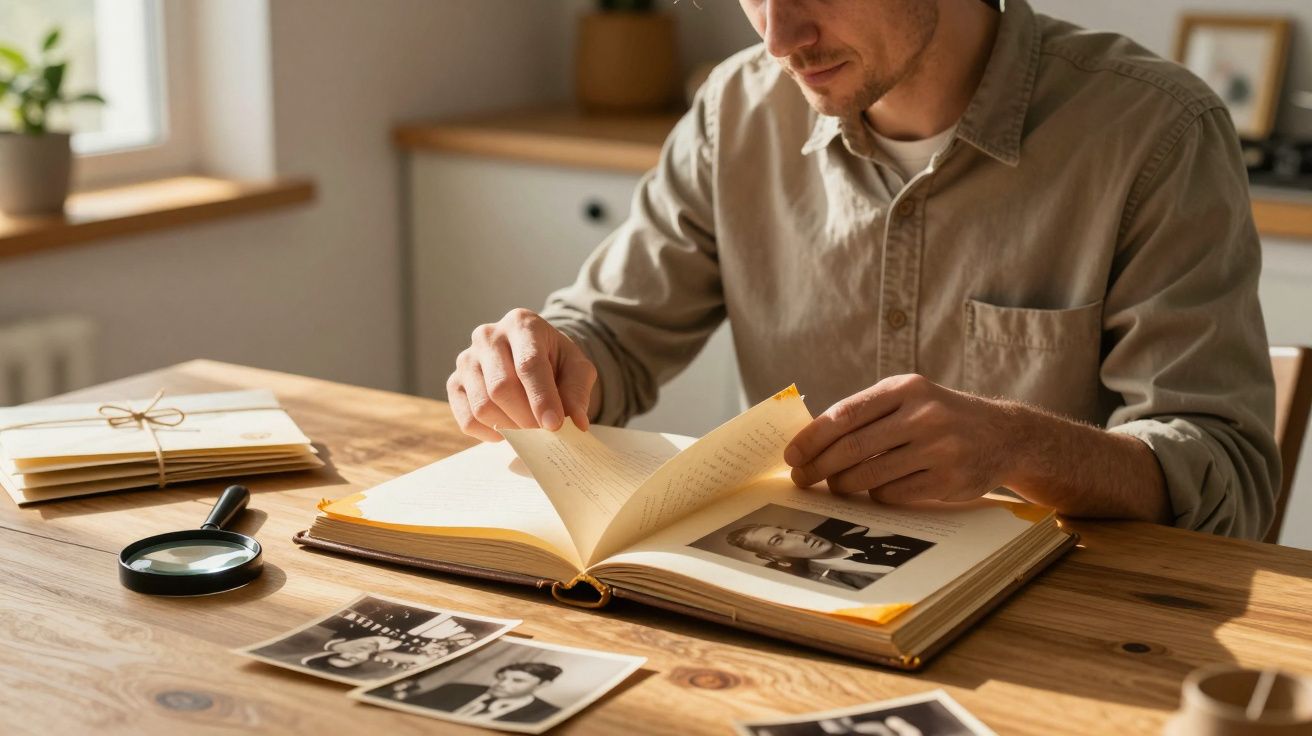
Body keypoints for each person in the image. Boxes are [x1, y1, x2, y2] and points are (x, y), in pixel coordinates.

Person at [446, 0, 1279, 539]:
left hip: (1058, 638)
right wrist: (542, 362)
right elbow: (612, 338)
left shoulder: (1155, 132)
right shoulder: (734, 111)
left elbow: (1226, 478)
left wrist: (1016, 445)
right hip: (788, 609)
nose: (778, 38)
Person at [726, 521, 929, 590]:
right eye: (778, 541)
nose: (799, 537)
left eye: (787, 530)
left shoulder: (871, 534)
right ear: (773, 557)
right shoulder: (827, 581)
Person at [394, 661, 563, 723]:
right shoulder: (455, 688)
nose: (502, 684)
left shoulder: (548, 714)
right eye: (500, 677)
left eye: (517, 681)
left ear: (543, 684)